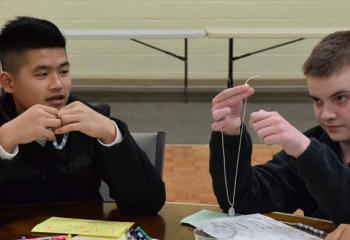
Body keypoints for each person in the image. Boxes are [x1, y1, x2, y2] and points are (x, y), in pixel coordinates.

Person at [0, 16, 165, 215]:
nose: (58, 84)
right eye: (42, 74)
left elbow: (148, 204)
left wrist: (111, 135)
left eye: (63, 72)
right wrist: (4, 141)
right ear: (8, 83)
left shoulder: (92, 120)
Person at [209, 31, 350, 224]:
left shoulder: (310, 150)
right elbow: (243, 202)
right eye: (317, 101)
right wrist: (230, 134)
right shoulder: (320, 142)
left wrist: (305, 150)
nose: (326, 114)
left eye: (341, 98)